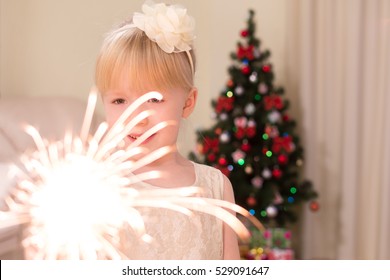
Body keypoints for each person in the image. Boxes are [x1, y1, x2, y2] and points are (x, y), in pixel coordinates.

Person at [94, 1, 240, 260]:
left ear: (187, 102)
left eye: (153, 99)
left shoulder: (216, 187)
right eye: (119, 101)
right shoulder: (98, 189)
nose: (136, 117)